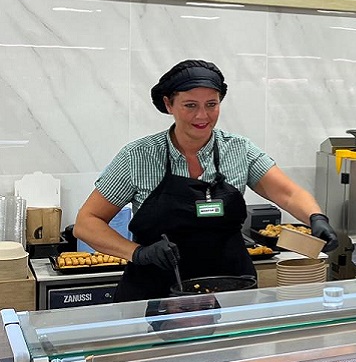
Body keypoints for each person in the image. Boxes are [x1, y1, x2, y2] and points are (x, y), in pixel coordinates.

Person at [75, 60, 339, 302]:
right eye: (191, 105)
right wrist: (137, 253)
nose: (202, 116)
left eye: (211, 105)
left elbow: (288, 194)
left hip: (230, 292)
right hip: (155, 295)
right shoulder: (138, 157)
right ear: (169, 104)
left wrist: (316, 218)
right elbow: (87, 223)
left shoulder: (238, 150)